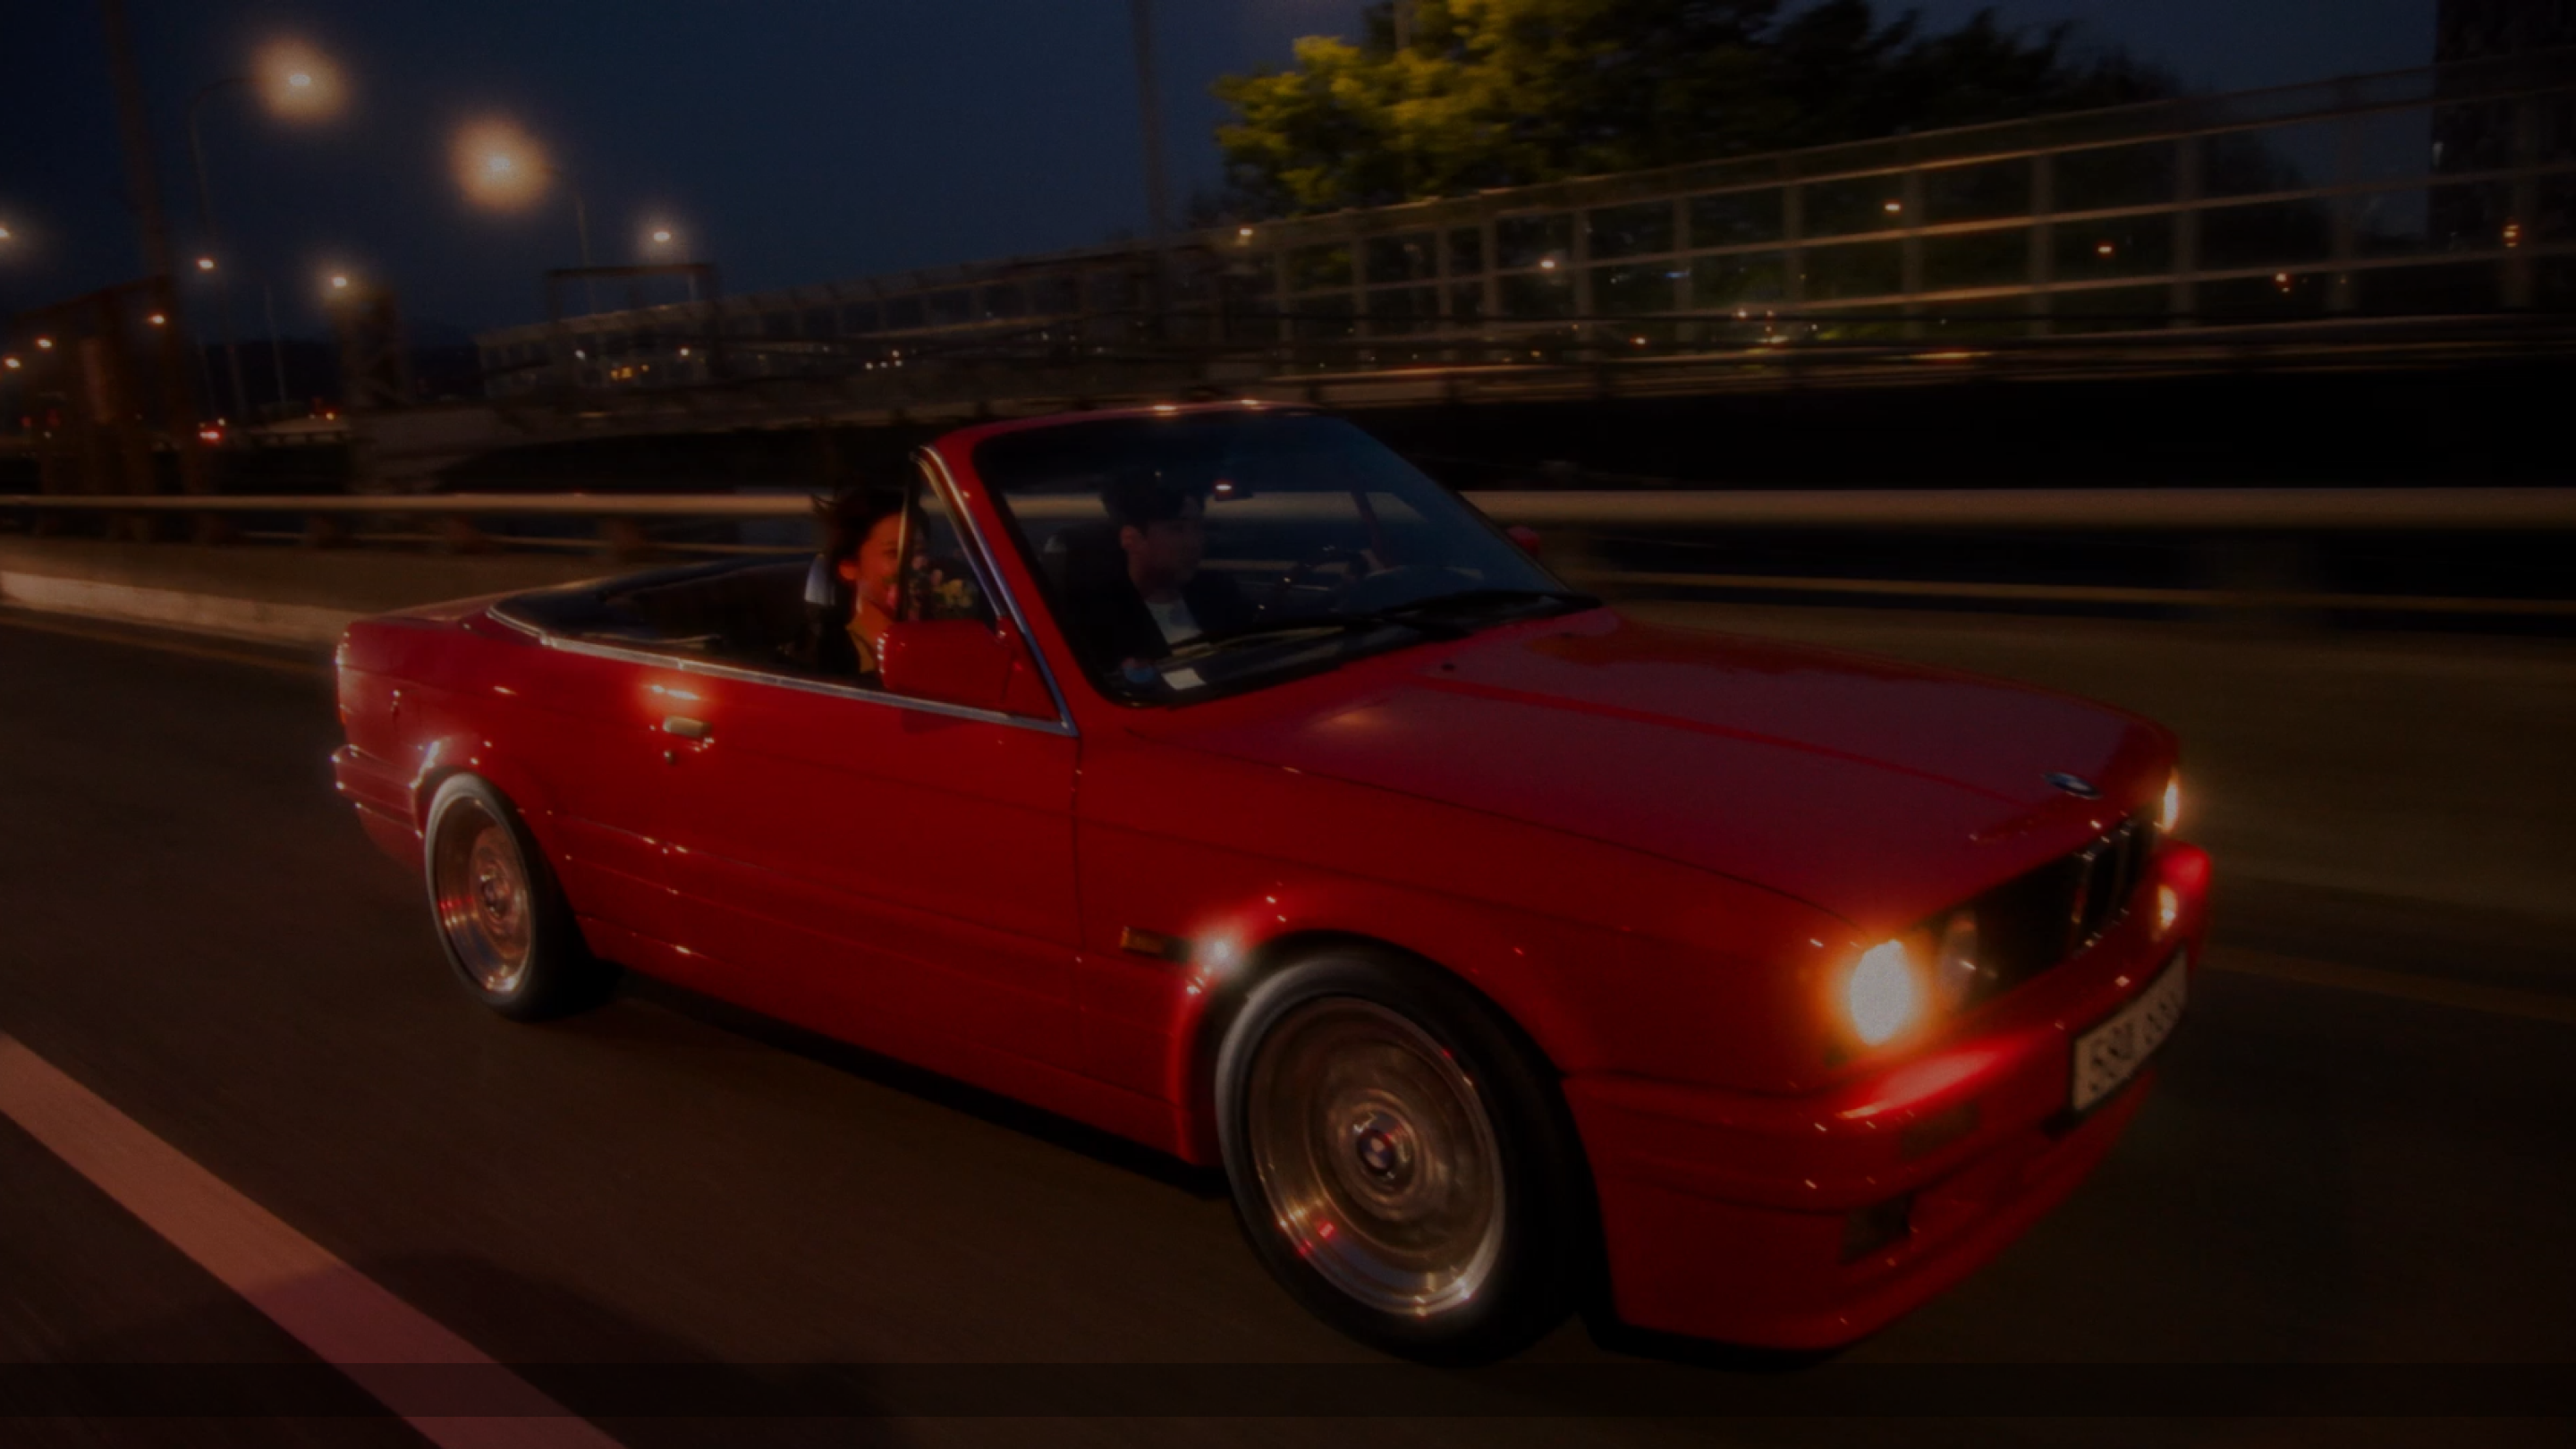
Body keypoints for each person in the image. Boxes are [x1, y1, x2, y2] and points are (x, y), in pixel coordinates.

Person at [1063, 470, 1252, 681]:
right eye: (1176, 529)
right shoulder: (1095, 619)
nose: (1195, 542)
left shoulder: (1218, 594)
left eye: (1198, 527)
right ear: (1132, 539)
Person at [798, 487, 903, 676]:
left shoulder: (940, 641)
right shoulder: (823, 661)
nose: (915, 565)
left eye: (920, 552)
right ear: (849, 567)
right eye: (893, 553)